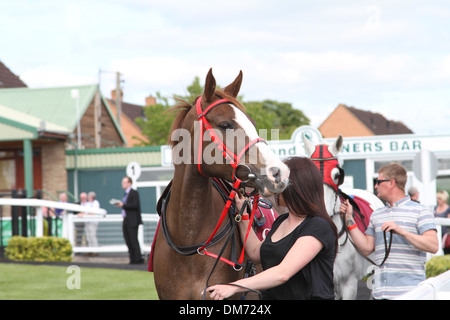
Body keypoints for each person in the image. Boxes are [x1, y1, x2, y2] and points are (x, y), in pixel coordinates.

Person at [205, 157, 338, 300]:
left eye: (279, 182)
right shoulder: (281, 221)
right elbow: (255, 253)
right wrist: (242, 214)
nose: (274, 188)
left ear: (295, 187)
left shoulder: (318, 226)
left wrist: (234, 286)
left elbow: (283, 273)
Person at [340, 163, 439, 300]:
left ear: (391, 183)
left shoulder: (421, 211)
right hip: (379, 294)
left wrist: (402, 231)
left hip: (410, 293)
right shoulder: (377, 214)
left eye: (378, 182)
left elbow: (433, 246)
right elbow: (366, 248)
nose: (375, 186)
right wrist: (349, 219)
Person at [115, 176, 144, 264]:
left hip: (132, 221)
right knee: (127, 240)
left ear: (129, 183)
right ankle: (132, 258)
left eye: (124, 182)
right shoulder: (125, 194)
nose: (122, 184)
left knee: (133, 240)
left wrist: (123, 205)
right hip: (126, 220)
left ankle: (138, 259)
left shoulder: (134, 193)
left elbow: (135, 205)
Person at [434, 190, 450, 254]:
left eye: (439, 198)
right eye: (437, 198)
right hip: (437, 234)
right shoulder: (435, 208)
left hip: (445, 235)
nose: (438, 200)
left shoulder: (448, 209)